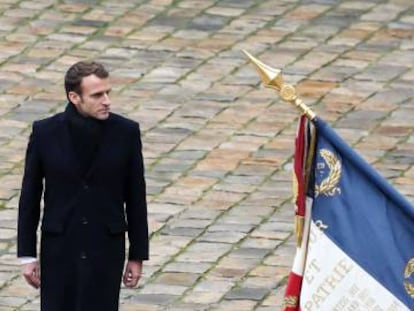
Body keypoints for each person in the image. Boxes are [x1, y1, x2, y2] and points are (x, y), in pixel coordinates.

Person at [17, 61, 149, 311]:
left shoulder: (126, 132)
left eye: (108, 93)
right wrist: (27, 256)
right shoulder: (45, 133)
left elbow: (135, 197)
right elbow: (30, 197)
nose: (107, 100)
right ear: (74, 97)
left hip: (105, 247)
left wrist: (137, 255)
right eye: (98, 95)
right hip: (60, 246)